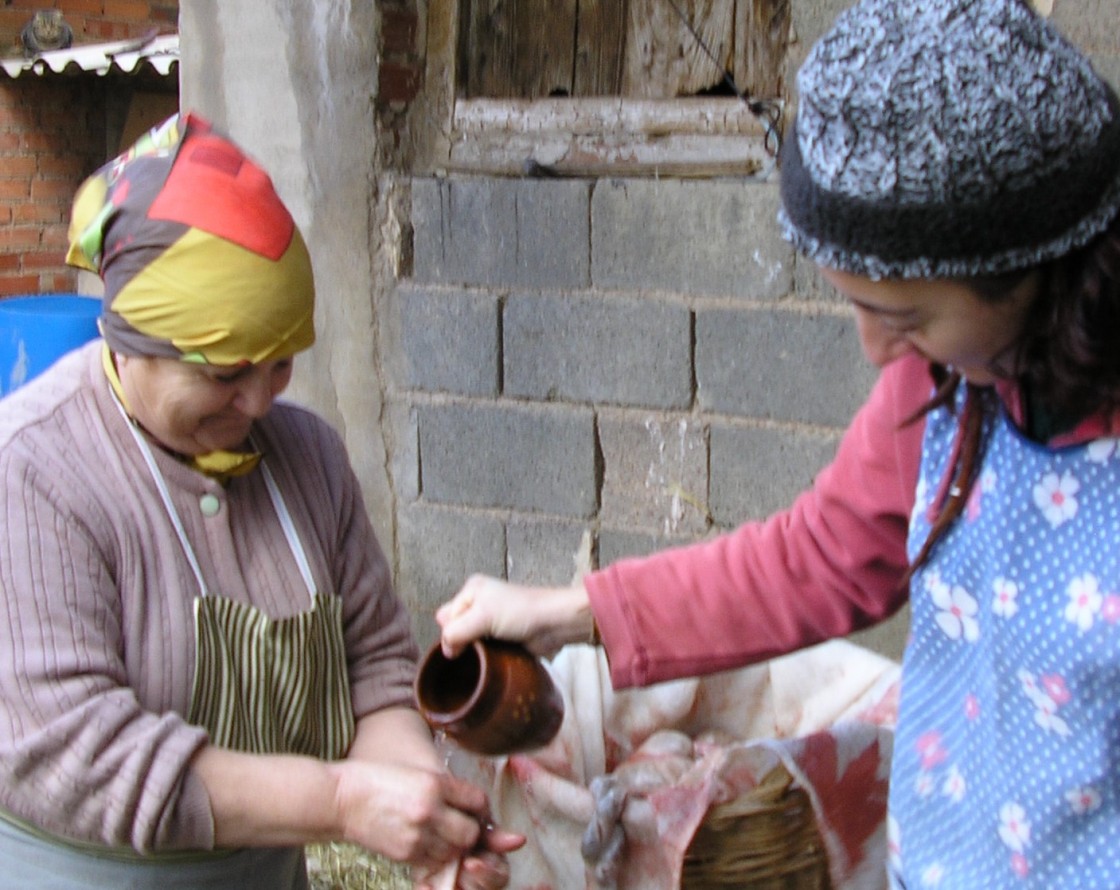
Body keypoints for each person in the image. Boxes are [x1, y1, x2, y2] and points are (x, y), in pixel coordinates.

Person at [435, 0, 1120, 886]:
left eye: (904, 316)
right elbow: (816, 558)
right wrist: (574, 611)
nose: (877, 352)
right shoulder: (954, 388)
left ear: (1041, 271)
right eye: (858, 307)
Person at [0, 112, 521, 890]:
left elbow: (372, 668)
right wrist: (343, 802)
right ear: (130, 338)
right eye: (222, 371)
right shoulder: (35, 470)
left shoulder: (305, 456)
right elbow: (80, 754)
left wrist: (424, 816)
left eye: (277, 365)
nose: (255, 403)